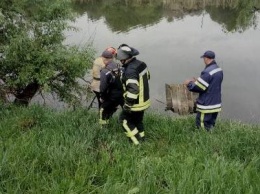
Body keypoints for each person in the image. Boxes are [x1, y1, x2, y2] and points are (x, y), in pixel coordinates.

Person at [116, 44, 151, 145]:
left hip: (135, 103)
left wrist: (127, 105)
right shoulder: (141, 64)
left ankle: (136, 143)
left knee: (123, 120)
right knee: (137, 121)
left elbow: (133, 90)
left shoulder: (130, 71)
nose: (119, 61)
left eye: (120, 59)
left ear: (123, 58)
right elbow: (147, 77)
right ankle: (142, 138)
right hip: (144, 100)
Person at [184, 50, 223, 131]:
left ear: (206, 58)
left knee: (202, 126)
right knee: (211, 125)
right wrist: (199, 80)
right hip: (216, 104)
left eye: (204, 58)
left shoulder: (207, 72)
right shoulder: (219, 70)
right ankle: (211, 139)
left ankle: (203, 141)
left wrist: (189, 83)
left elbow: (199, 88)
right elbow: (212, 84)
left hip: (207, 105)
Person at [99, 50, 124, 126]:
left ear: (104, 59)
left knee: (103, 111)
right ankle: (127, 123)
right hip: (123, 94)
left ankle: (103, 128)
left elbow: (103, 87)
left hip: (112, 96)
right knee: (127, 111)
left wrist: (102, 97)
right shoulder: (120, 66)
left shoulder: (104, 71)